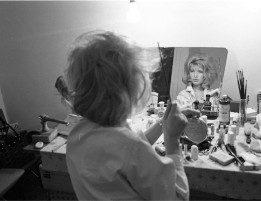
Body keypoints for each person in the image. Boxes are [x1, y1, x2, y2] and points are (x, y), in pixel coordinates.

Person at [64, 30, 199, 200]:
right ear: (133, 90)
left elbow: (128, 150)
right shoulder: (132, 149)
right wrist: (172, 140)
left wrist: (163, 123)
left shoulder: (79, 134)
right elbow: (177, 197)